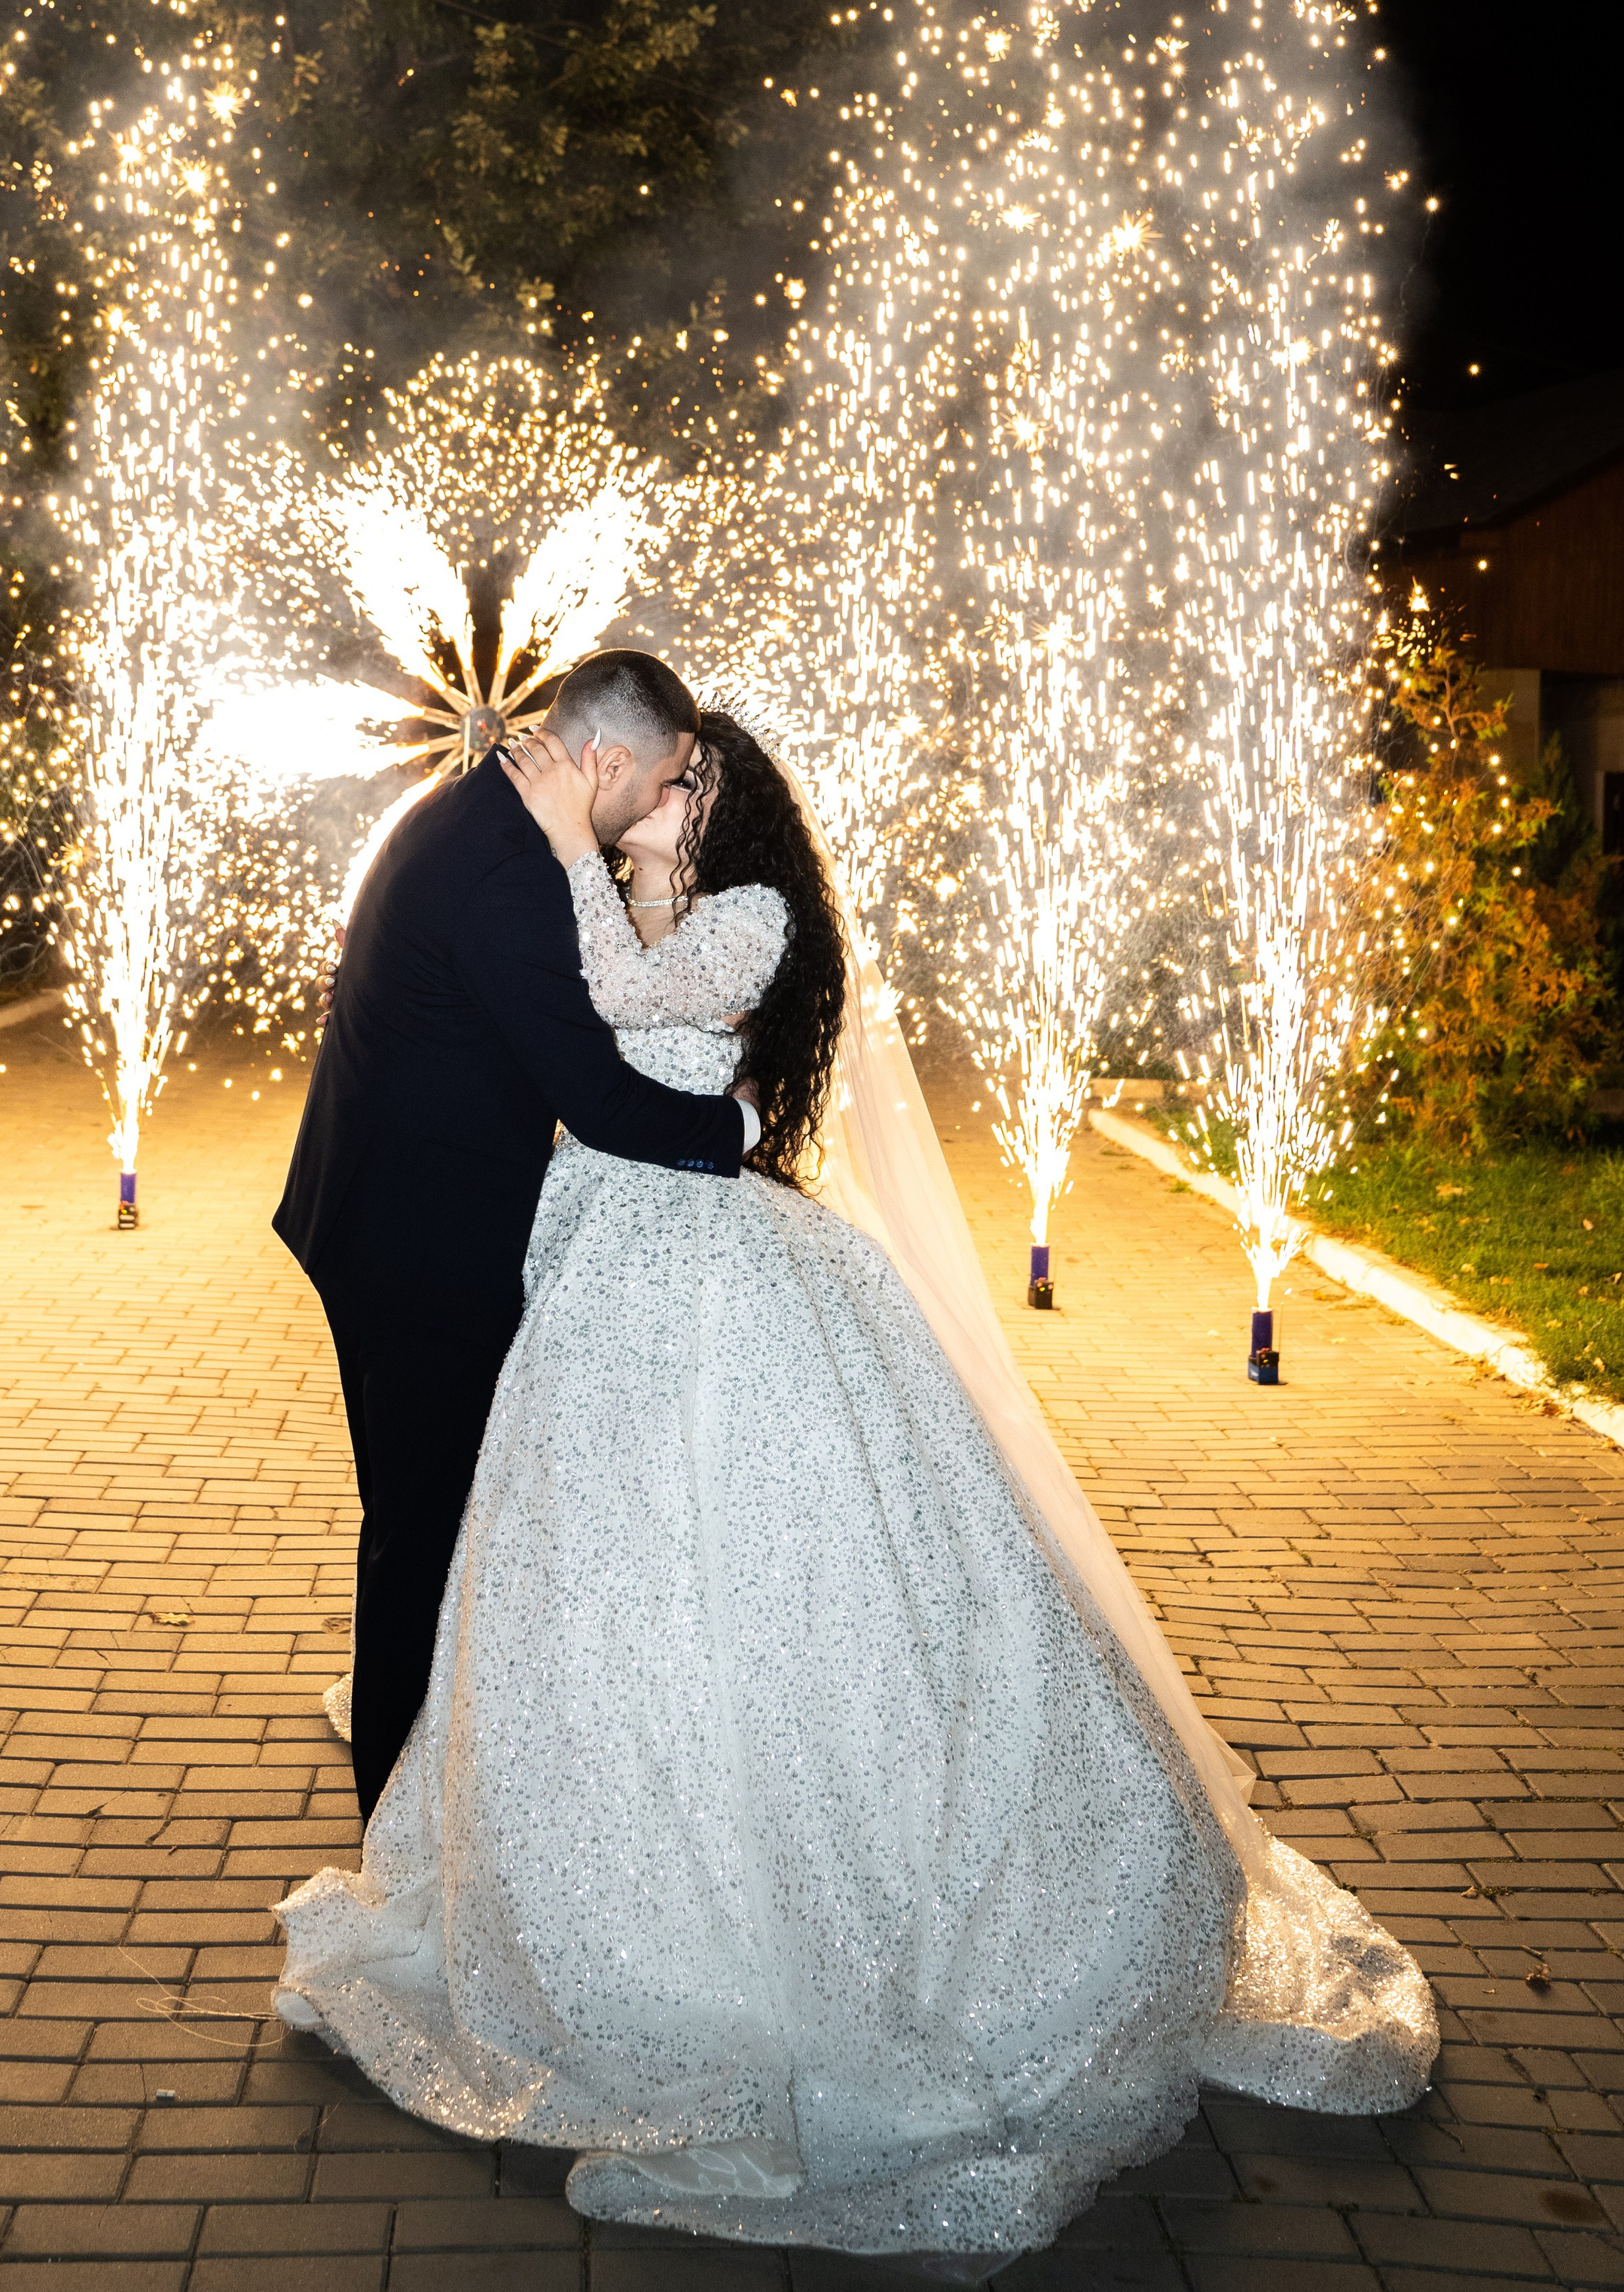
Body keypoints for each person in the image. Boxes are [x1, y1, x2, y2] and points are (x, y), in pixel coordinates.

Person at [273, 707, 1437, 2266]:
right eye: (656, 773)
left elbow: (620, 1023)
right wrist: (613, 933)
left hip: (701, 1267)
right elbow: (585, 1024)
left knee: (766, 1570)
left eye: (678, 783)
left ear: (709, 805)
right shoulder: (633, 894)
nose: (647, 798)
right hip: (612, 1263)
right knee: (589, 1577)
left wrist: (681, 1063)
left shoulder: (735, 914)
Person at [271, 649, 762, 1820]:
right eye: (662, 781)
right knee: (419, 1535)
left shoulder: (479, 818)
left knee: (417, 1514)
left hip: (381, 1212)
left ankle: (421, 1787)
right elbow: (596, 1098)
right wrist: (737, 1127)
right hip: (422, 1248)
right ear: (605, 759)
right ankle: (393, 1823)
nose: (665, 805)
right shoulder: (507, 871)